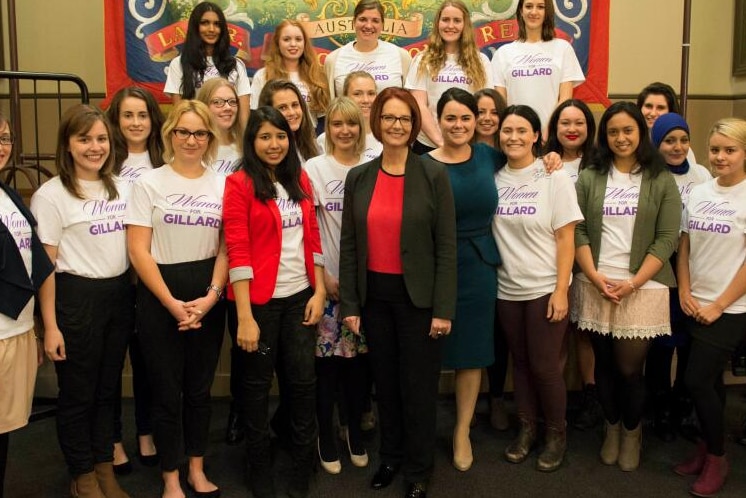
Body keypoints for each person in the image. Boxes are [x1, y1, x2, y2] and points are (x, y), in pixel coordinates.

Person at [339, 87, 457, 498]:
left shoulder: (433, 174)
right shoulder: (359, 177)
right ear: (378, 123)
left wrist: (443, 309)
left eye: (404, 119)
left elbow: (446, 245)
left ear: (413, 126)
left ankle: (419, 469)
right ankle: (390, 457)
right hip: (375, 298)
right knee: (385, 385)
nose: (396, 125)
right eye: (389, 117)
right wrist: (351, 304)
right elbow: (350, 245)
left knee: (418, 388)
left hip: (420, 301)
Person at [222, 106, 326, 498]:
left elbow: (312, 239)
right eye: (264, 136)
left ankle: (302, 464)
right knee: (255, 388)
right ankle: (258, 464)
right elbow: (238, 250)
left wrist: (317, 291)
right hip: (259, 305)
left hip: (300, 298)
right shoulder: (239, 183)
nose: (274, 144)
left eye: (280, 136)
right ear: (252, 142)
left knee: (302, 384)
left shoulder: (299, 178)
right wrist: (245, 317)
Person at [572, 101, 681, 472]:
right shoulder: (590, 176)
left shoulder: (659, 178)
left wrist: (633, 282)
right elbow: (579, 229)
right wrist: (596, 275)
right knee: (602, 364)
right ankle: (612, 427)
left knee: (630, 370)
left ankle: (633, 431)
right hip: (595, 281)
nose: (621, 138)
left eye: (628, 130)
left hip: (643, 287)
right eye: (614, 131)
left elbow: (667, 239)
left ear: (641, 134)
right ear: (605, 136)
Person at [126, 100, 227, 498]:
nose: (191, 139)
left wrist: (211, 297)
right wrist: (170, 303)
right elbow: (138, 251)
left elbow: (227, 247)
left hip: (207, 294)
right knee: (166, 390)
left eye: (200, 133)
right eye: (183, 131)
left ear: (210, 138)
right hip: (159, 294)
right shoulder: (148, 184)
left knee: (199, 390)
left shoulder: (223, 184)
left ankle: (196, 469)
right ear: (169, 134)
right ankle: (170, 476)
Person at [31, 104, 134, 498]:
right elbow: (46, 269)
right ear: (68, 145)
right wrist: (51, 326)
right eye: (84, 139)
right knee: (78, 393)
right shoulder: (51, 196)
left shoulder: (122, 187)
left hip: (118, 296)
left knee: (108, 389)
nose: (95, 147)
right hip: (75, 300)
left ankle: (104, 466)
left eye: (101, 139)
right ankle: (82, 475)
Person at [493, 104, 582, 472]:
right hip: (507, 289)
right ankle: (526, 430)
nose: (513, 137)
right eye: (507, 130)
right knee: (522, 364)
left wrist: (562, 289)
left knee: (546, 367)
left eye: (521, 130)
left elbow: (566, 237)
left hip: (546, 286)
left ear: (535, 136)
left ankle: (555, 435)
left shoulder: (553, 177)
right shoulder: (494, 177)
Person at [425, 88, 501, 472]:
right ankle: (422, 430)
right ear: (438, 120)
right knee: (428, 352)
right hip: (435, 267)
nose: (458, 125)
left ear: (477, 121)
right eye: (451, 118)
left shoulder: (490, 156)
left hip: (479, 265)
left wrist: (552, 157)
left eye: (466, 118)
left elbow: (529, 164)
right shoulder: (422, 163)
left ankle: (462, 430)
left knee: (471, 355)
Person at [674, 118, 746, 497]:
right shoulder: (699, 191)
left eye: (730, 150)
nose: (720, 157)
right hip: (695, 302)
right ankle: (706, 445)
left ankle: (718, 456)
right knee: (711, 383)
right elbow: (685, 245)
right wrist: (685, 289)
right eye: (715, 149)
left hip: (731, 308)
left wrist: (719, 304)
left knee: (696, 380)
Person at [305, 97, 370, 474]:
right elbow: (309, 228)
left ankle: (354, 432)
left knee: (358, 365)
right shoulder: (314, 168)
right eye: (336, 124)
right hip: (326, 282)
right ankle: (325, 436)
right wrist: (322, 277)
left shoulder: (371, 167)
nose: (344, 131)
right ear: (327, 129)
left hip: (363, 286)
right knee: (327, 366)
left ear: (361, 129)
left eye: (352, 124)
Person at [105, 86, 165, 473]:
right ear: (116, 119)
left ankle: (146, 432)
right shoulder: (104, 158)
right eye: (127, 115)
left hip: (151, 276)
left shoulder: (165, 157)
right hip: (112, 275)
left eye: (142, 115)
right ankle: (112, 439)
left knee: (148, 362)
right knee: (111, 363)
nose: (135, 123)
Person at [647, 113, 712, 443]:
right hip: (661, 269)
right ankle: (658, 406)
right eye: (669, 141)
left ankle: (683, 403)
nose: (678, 147)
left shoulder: (701, 175)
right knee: (661, 343)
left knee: (689, 343)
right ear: (657, 144)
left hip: (695, 268)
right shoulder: (651, 175)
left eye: (683, 140)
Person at [0, 113, 56, 498]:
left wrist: (35, 328)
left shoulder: (7, 196)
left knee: (4, 434)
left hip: (15, 330)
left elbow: (30, 264)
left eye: (4, 137)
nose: (1, 145)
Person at [544, 98, 601, 430]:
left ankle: (590, 395)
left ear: (589, 128)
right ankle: (556, 400)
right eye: (565, 123)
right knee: (558, 333)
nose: (572, 129)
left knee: (584, 332)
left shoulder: (600, 165)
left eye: (579, 123)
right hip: (552, 259)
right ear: (555, 128)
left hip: (591, 257)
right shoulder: (545, 162)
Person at [406, 0, 492, 153]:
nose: (450, 26)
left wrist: (461, 140)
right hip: (428, 145)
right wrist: (441, 143)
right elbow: (419, 105)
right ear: (438, 23)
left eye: (457, 20)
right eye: (445, 20)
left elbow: (484, 106)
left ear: (465, 25)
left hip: (467, 145)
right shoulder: (422, 60)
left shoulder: (481, 61)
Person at [491, 0, 585, 133]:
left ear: (547, 12)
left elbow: (565, 99)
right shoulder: (503, 53)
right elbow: (501, 103)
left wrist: (549, 129)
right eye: (529, 6)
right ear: (521, 11)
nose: (534, 12)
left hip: (551, 133)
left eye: (540, 7)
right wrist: (514, 131)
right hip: (516, 135)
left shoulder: (563, 49)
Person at [164, 1, 250, 127]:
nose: (211, 29)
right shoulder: (178, 64)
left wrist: (243, 144)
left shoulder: (236, 65)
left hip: (229, 138)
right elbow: (179, 114)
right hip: (196, 137)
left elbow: (244, 117)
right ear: (195, 27)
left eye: (216, 24)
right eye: (205, 23)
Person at [251, 20, 330, 131]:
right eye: (286, 39)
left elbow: (323, 119)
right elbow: (256, 116)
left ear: (304, 43)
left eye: (298, 39)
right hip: (276, 141)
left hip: (310, 142)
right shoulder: (263, 76)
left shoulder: (316, 75)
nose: (293, 44)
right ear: (278, 43)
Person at [324, 0, 411, 98]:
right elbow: (330, 104)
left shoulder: (401, 56)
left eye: (375, 20)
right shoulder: (333, 59)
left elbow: (409, 101)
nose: (369, 26)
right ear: (354, 22)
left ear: (382, 24)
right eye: (363, 19)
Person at [318, 71, 383, 163]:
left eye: (371, 93)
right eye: (357, 94)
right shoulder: (324, 140)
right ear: (345, 96)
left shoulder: (385, 137)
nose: (366, 100)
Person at [258, 79, 320, 163]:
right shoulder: (266, 152)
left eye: (295, 105)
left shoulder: (315, 147)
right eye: (282, 107)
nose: (291, 112)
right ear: (268, 111)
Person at [636, 82, 697, 164]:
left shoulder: (683, 150)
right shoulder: (632, 143)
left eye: (660, 108)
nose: (653, 113)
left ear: (671, 111)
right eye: (648, 106)